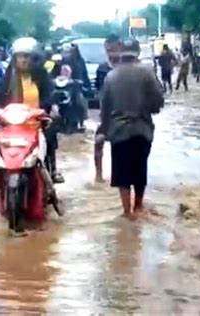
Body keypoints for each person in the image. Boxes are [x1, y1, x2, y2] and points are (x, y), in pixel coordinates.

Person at [100, 38, 164, 219]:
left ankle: (126, 212)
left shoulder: (111, 77)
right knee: (139, 170)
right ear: (138, 53)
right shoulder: (147, 73)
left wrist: (103, 131)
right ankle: (138, 206)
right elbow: (158, 101)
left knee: (121, 174)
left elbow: (104, 108)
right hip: (142, 129)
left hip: (119, 131)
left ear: (121, 54)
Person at [0, 37, 64, 183]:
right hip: (14, 124)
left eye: (26, 56)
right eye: (19, 56)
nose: (23, 60)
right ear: (14, 59)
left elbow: (50, 95)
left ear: (34, 58)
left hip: (37, 121)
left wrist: (51, 109)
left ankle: (53, 169)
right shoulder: (9, 77)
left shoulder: (42, 76)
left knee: (50, 136)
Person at [95, 34, 121, 183]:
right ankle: (99, 175)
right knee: (98, 142)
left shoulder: (126, 68)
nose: (111, 52)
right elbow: (100, 92)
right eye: (108, 49)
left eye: (114, 49)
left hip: (123, 112)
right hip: (107, 113)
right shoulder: (102, 68)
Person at [61, 43, 90, 131]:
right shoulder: (59, 61)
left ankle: (81, 122)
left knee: (79, 102)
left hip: (75, 86)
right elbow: (52, 72)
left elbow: (83, 74)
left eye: (70, 51)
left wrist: (84, 83)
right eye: (66, 51)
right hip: (62, 86)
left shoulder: (80, 61)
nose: (68, 53)